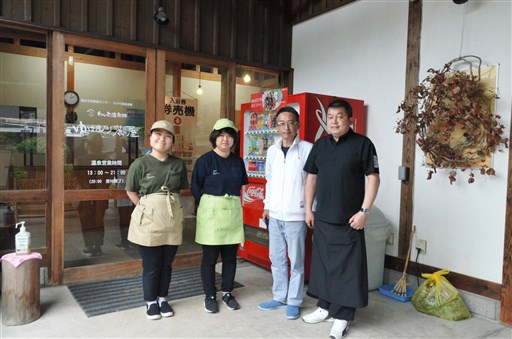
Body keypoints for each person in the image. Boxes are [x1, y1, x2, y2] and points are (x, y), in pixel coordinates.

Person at [302, 99, 380, 339]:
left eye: (339, 117)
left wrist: (364, 212)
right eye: (330, 117)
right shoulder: (320, 145)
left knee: (347, 269)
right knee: (324, 266)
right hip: (324, 217)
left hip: (350, 220)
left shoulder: (363, 144)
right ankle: (324, 307)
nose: (334, 121)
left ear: (350, 120)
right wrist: (308, 209)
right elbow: (311, 178)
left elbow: (373, 178)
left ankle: (342, 317)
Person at [125, 120, 189, 320]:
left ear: (172, 141)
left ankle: (163, 298)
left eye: (167, 135)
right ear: (150, 138)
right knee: (151, 264)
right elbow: (131, 190)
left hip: (171, 219)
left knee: (167, 264)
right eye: (158, 134)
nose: (162, 139)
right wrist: (146, 208)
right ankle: (150, 301)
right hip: (148, 220)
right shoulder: (140, 163)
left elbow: (180, 190)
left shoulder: (178, 164)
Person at [257, 106, 312, 320]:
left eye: (290, 122)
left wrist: (309, 210)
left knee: (296, 261)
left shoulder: (308, 149)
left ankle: (294, 301)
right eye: (281, 123)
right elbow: (269, 180)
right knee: (276, 259)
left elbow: (314, 182)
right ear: (276, 127)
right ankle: (279, 296)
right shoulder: (272, 151)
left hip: (296, 216)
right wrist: (266, 206)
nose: (286, 127)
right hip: (275, 215)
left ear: (297, 125)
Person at [191, 118, 248, 314]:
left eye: (229, 135)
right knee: (209, 258)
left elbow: (241, 184)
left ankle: (227, 292)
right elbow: (195, 187)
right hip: (211, 214)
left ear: (234, 139)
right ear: (214, 137)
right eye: (221, 135)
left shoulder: (237, 161)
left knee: (230, 257)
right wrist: (209, 206)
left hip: (231, 212)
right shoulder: (204, 161)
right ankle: (209, 295)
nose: (225, 139)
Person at [74, 132, 109, 257]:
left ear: (87, 145)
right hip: (101, 195)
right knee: (99, 220)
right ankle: (98, 246)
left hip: (84, 195)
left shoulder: (80, 160)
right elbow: (110, 178)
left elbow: (77, 178)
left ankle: (89, 246)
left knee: (86, 220)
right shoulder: (107, 160)